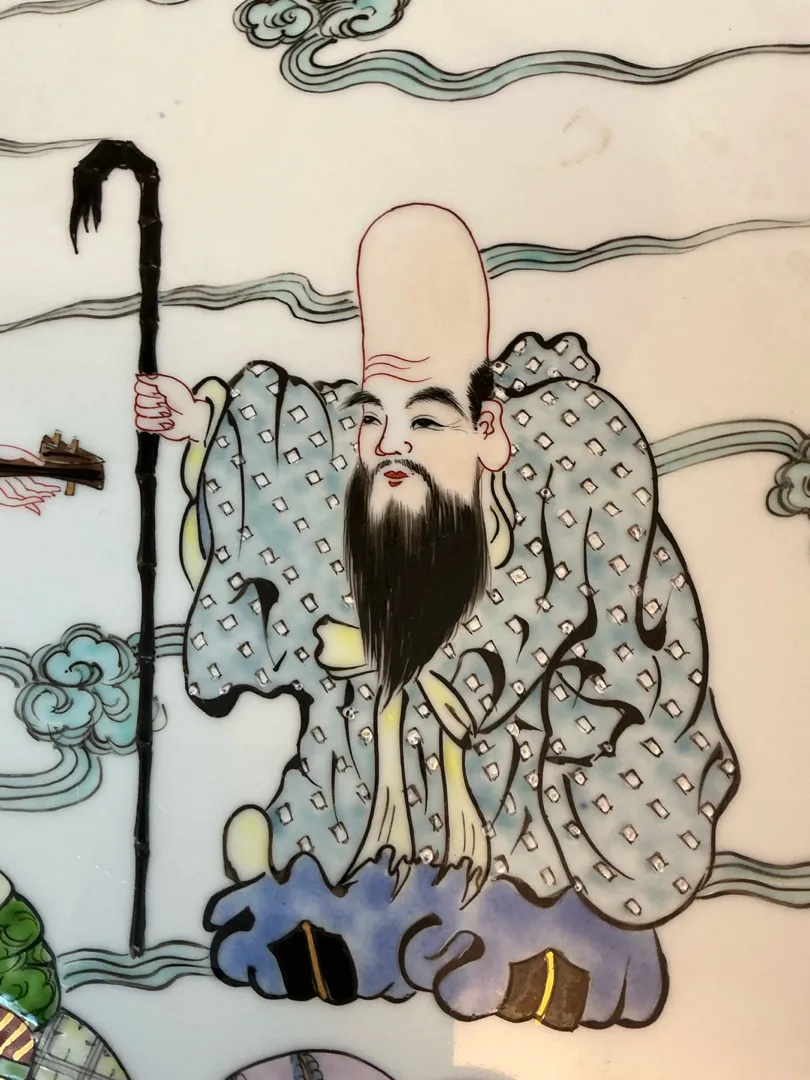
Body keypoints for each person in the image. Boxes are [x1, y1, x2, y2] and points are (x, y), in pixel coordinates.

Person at [135, 203, 738, 1029]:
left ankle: (542, 932)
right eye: (374, 417)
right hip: (382, 776)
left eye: (425, 419)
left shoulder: (572, 467)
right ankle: (348, 910)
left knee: (553, 879)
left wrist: (417, 660)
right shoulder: (361, 475)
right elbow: (293, 435)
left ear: (489, 429)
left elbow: (568, 612)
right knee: (329, 834)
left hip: (542, 773)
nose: (391, 444)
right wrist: (204, 421)